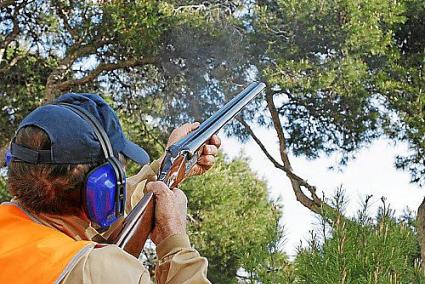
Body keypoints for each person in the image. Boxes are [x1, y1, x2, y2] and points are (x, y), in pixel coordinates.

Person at [0, 93, 221, 283]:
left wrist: (164, 167)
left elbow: (84, 222)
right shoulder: (102, 273)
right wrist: (175, 240)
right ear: (101, 189)